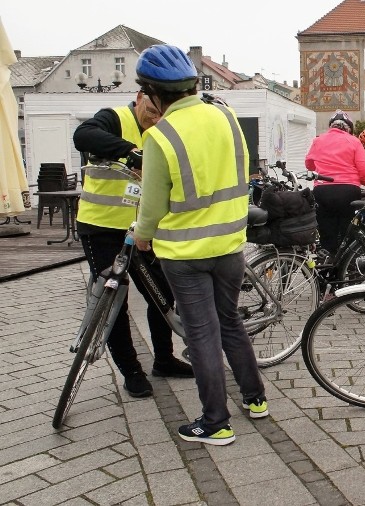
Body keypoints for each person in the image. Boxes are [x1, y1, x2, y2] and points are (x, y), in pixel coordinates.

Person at [132, 44, 266, 446]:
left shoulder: (160, 136)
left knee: (202, 333)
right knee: (230, 323)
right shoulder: (225, 116)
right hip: (229, 245)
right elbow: (243, 169)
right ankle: (255, 399)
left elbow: (153, 204)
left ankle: (215, 422)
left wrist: (142, 236)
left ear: (154, 93)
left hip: (184, 254)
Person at [73, 91, 194, 400]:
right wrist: (131, 152)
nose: (155, 118)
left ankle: (164, 360)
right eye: (151, 111)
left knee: (161, 293)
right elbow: (83, 135)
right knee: (113, 300)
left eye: (160, 114)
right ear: (140, 97)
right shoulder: (115, 118)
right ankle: (132, 372)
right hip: (101, 226)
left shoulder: (165, 127)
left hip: (143, 229)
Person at [306, 111, 365, 253]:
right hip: (348, 191)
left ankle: (327, 264)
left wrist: (323, 167)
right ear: (348, 128)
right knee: (347, 232)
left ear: (331, 126)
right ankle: (347, 267)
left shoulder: (318, 140)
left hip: (323, 190)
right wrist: (364, 179)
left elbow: (309, 164)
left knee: (327, 232)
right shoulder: (354, 141)